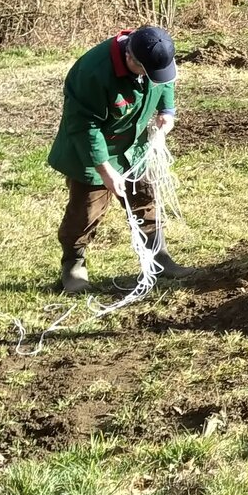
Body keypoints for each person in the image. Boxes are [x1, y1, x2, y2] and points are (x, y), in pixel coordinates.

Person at [47, 25, 185, 294]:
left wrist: (167, 110)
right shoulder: (91, 73)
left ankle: (159, 255)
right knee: (86, 210)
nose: (150, 76)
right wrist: (105, 169)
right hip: (93, 150)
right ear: (130, 58)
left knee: (144, 197)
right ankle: (73, 265)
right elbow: (85, 126)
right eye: (145, 71)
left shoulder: (156, 54)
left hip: (135, 146)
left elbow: (165, 80)